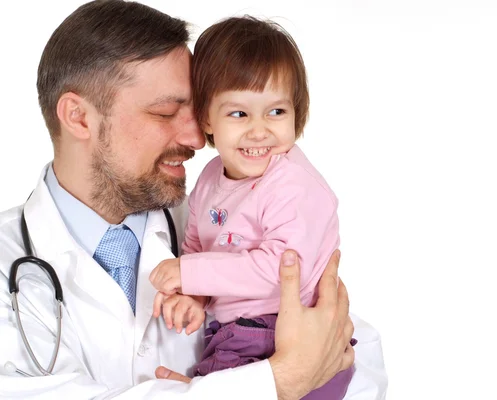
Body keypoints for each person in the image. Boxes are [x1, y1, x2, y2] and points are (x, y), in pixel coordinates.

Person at [0, 1, 387, 399]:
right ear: (80, 118)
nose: (199, 139)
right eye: (167, 112)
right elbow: (300, 369)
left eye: (198, 110)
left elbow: (357, 365)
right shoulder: (6, 264)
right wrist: (277, 381)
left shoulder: (223, 217)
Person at [149, 16, 354, 400]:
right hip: (237, 332)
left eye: (276, 112)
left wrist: (187, 274)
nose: (259, 131)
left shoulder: (293, 184)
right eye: (239, 114)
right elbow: (197, 245)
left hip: (275, 333)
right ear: (206, 118)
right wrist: (195, 297)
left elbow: (279, 270)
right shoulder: (211, 179)